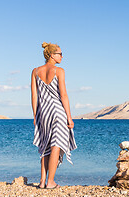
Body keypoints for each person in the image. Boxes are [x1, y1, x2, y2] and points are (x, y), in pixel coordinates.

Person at [31, 42, 77, 189]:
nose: (62, 56)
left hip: (43, 112)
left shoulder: (35, 71)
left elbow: (34, 96)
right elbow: (63, 95)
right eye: (60, 54)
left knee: (45, 145)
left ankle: (42, 181)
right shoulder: (59, 71)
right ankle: (51, 182)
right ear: (52, 55)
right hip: (57, 111)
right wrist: (69, 117)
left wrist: (35, 116)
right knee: (56, 144)